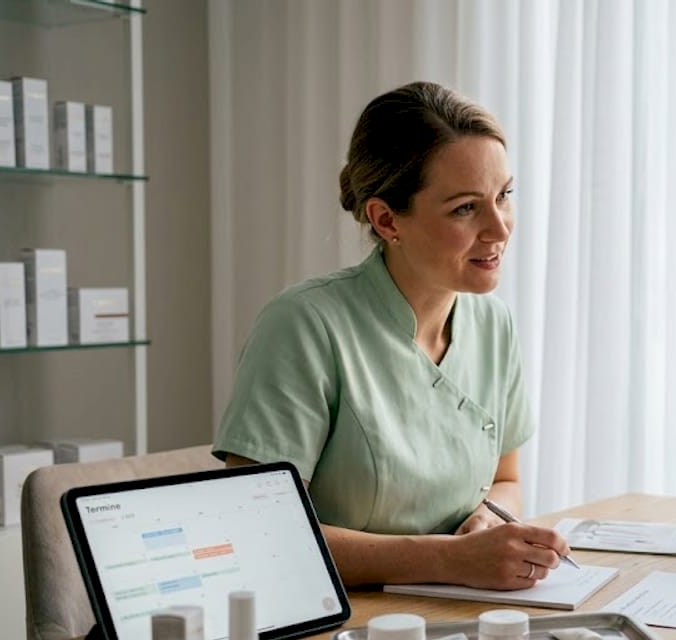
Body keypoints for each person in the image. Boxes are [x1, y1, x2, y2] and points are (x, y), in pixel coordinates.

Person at [213, 81, 569, 590]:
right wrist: (449, 560)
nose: (500, 228)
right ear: (386, 220)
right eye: (466, 208)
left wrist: (488, 521)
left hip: (459, 611)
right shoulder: (305, 324)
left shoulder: (494, 324)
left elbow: (506, 480)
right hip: (334, 624)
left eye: (504, 196)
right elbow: (256, 530)